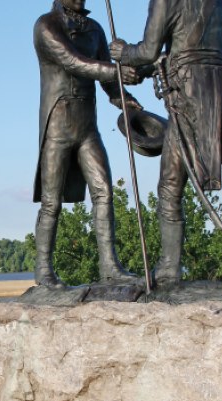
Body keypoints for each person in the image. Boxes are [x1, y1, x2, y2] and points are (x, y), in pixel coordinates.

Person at [109, 0, 222, 285]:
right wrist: (146, 69)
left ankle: (170, 266)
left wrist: (124, 53)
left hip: (190, 99)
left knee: (170, 186)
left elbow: (148, 50)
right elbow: (185, 47)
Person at [32, 0, 145, 286]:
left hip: (87, 126)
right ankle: (44, 270)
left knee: (104, 192)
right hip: (58, 123)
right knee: (51, 202)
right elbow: (74, 62)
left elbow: (107, 80)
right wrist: (115, 72)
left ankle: (110, 266)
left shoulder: (94, 29)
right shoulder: (46, 25)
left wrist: (129, 105)